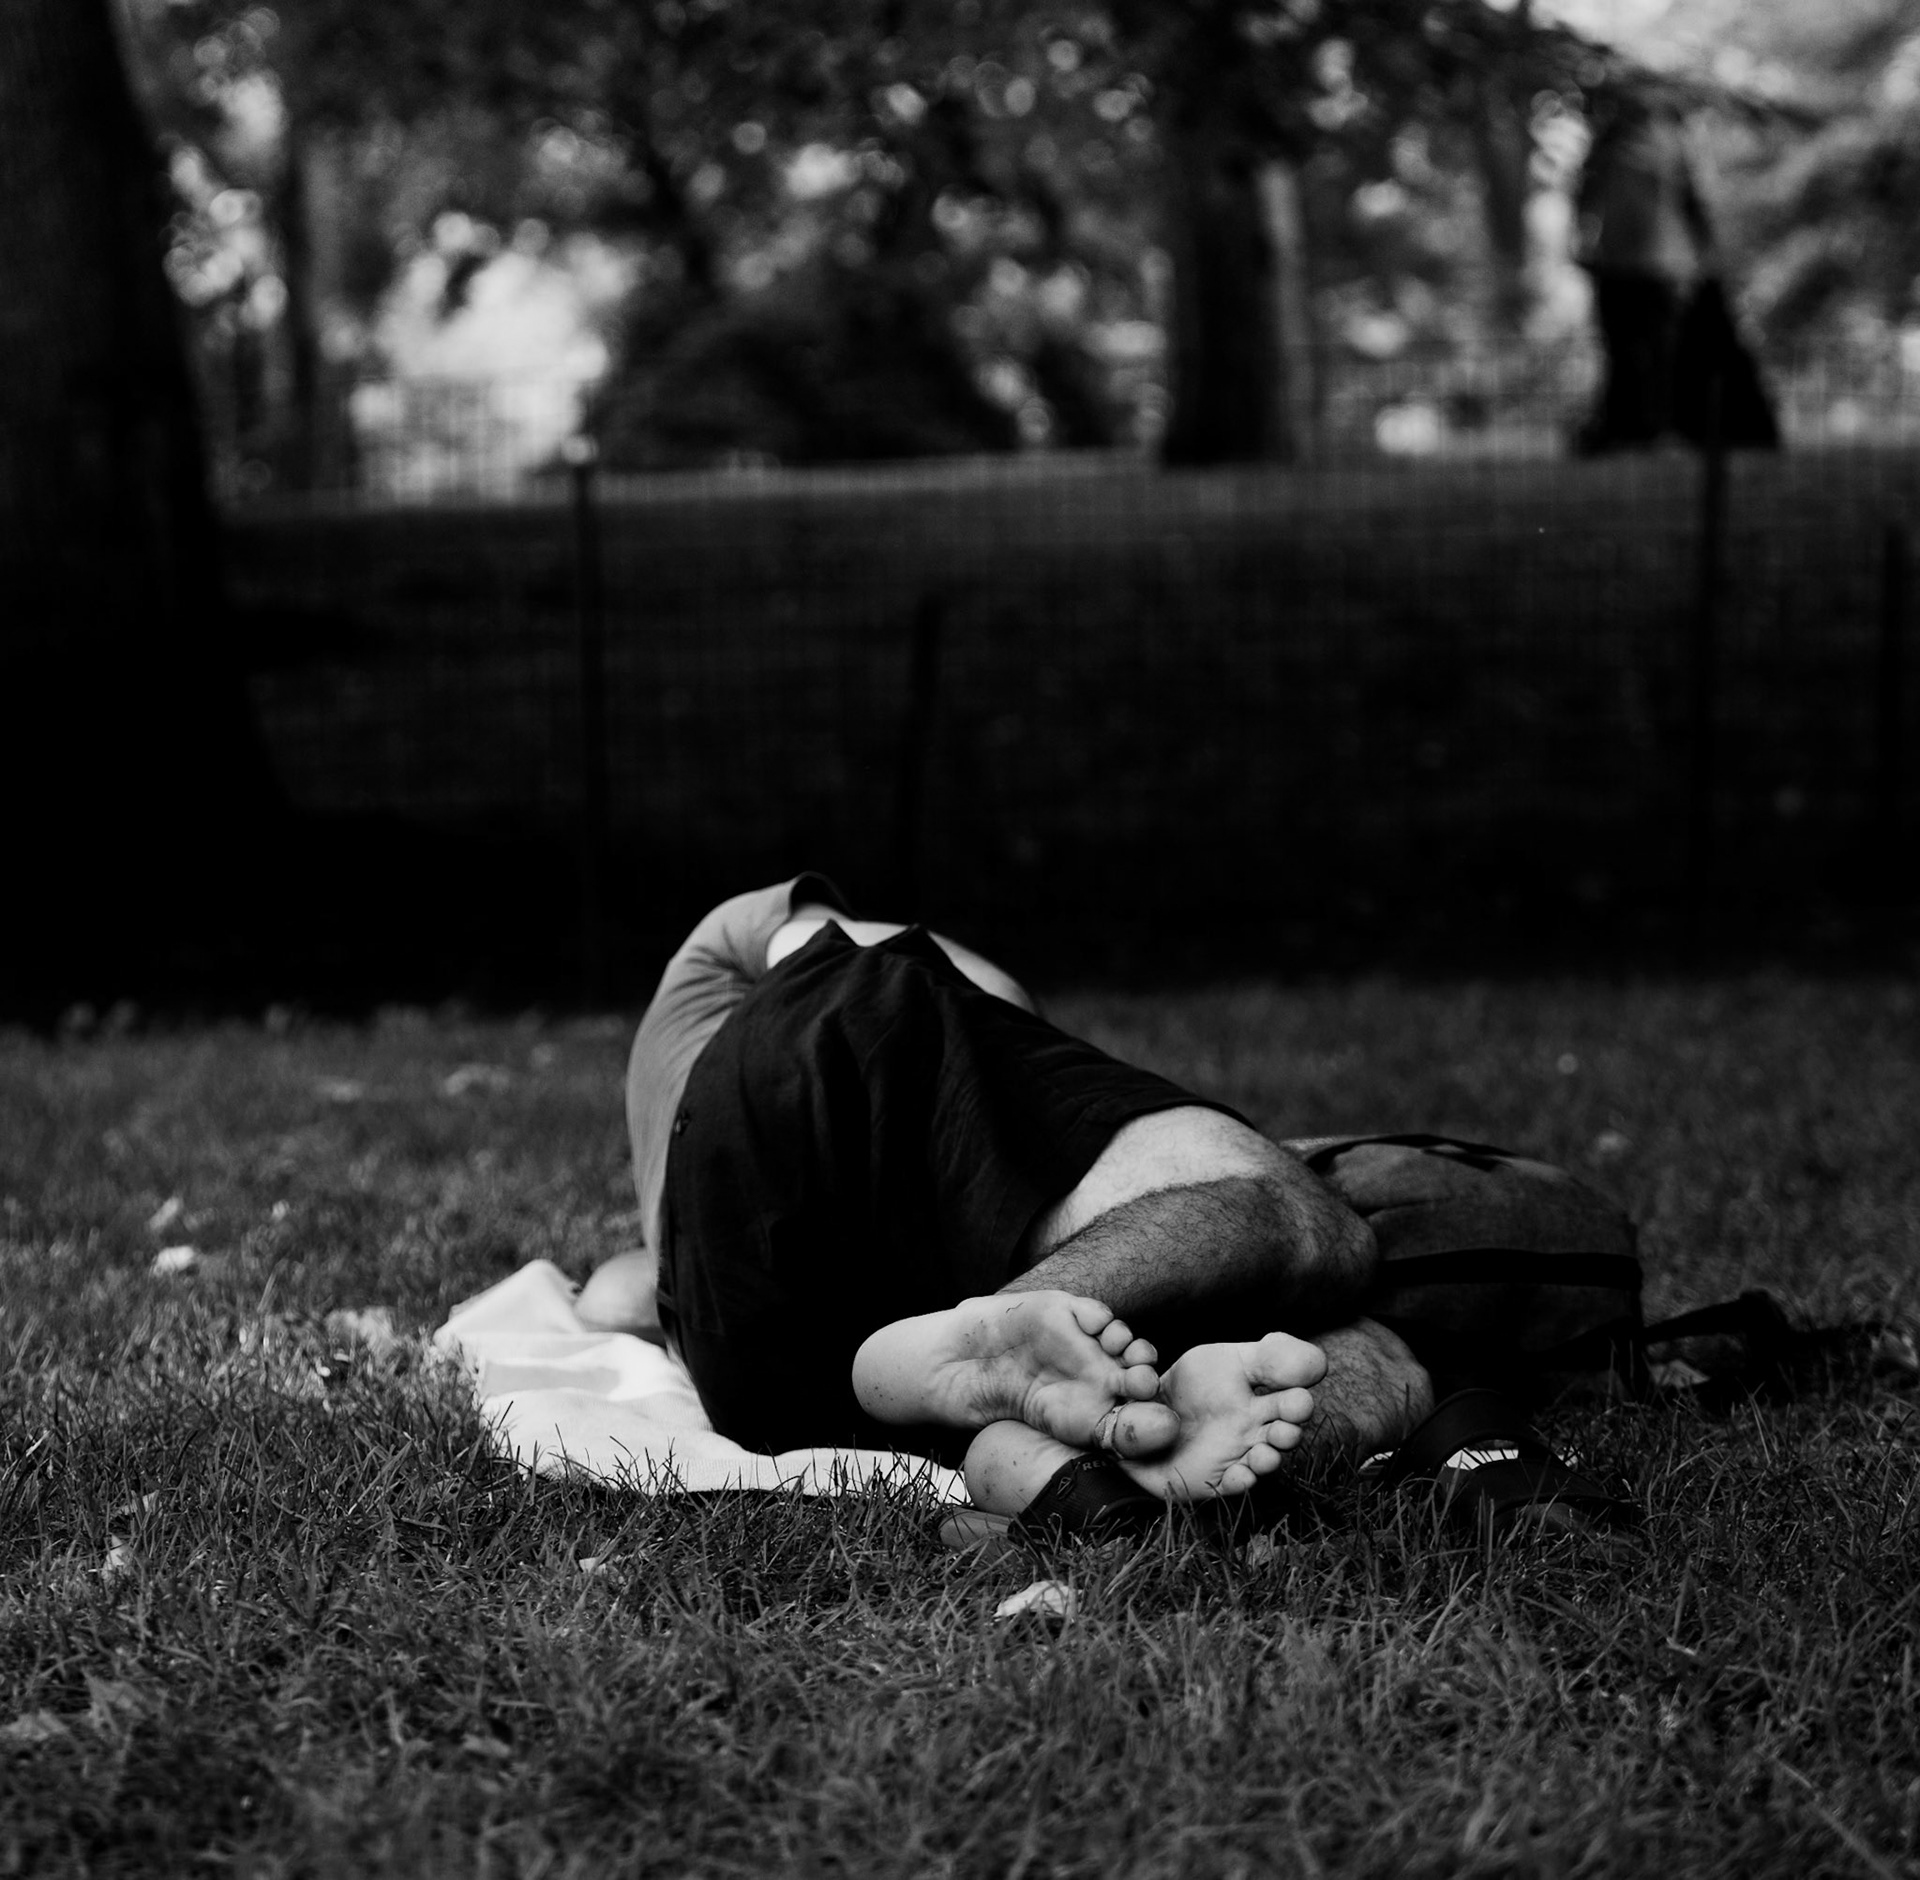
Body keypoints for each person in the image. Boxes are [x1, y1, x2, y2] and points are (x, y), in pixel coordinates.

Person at [582, 875, 1439, 1524]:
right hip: (821, 1071)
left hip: (759, 1376)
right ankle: (995, 1328)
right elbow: (978, 993)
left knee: (1365, 1365)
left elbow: (615, 1294)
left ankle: (1092, 1451)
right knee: (1298, 1218)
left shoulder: (680, 1227)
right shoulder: (741, 946)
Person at [1572, 87, 1714, 455]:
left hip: (1660, 267)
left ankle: (1656, 431)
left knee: (1659, 352)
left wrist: (1704, 254)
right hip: (1615, 264)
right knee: (1621, 351)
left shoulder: (1672, 147)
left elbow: (1690, 200)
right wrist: (1581, 241)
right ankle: (1620, 431)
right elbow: (1584, 198)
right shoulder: (1608, 149)